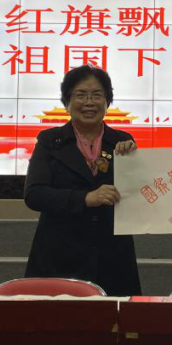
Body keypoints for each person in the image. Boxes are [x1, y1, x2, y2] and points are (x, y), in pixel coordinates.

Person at [23, 65, 141, 296]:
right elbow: (34, 194)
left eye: (97, 95)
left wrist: (135, 163)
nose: (89, 102)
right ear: (67, 101)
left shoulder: (122, 142)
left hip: (112, 256)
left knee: (115, 317)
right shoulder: (50, 141)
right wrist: (85, 198)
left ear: (107, 101)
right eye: (80, 95)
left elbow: (138, 195)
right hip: (59, 254)